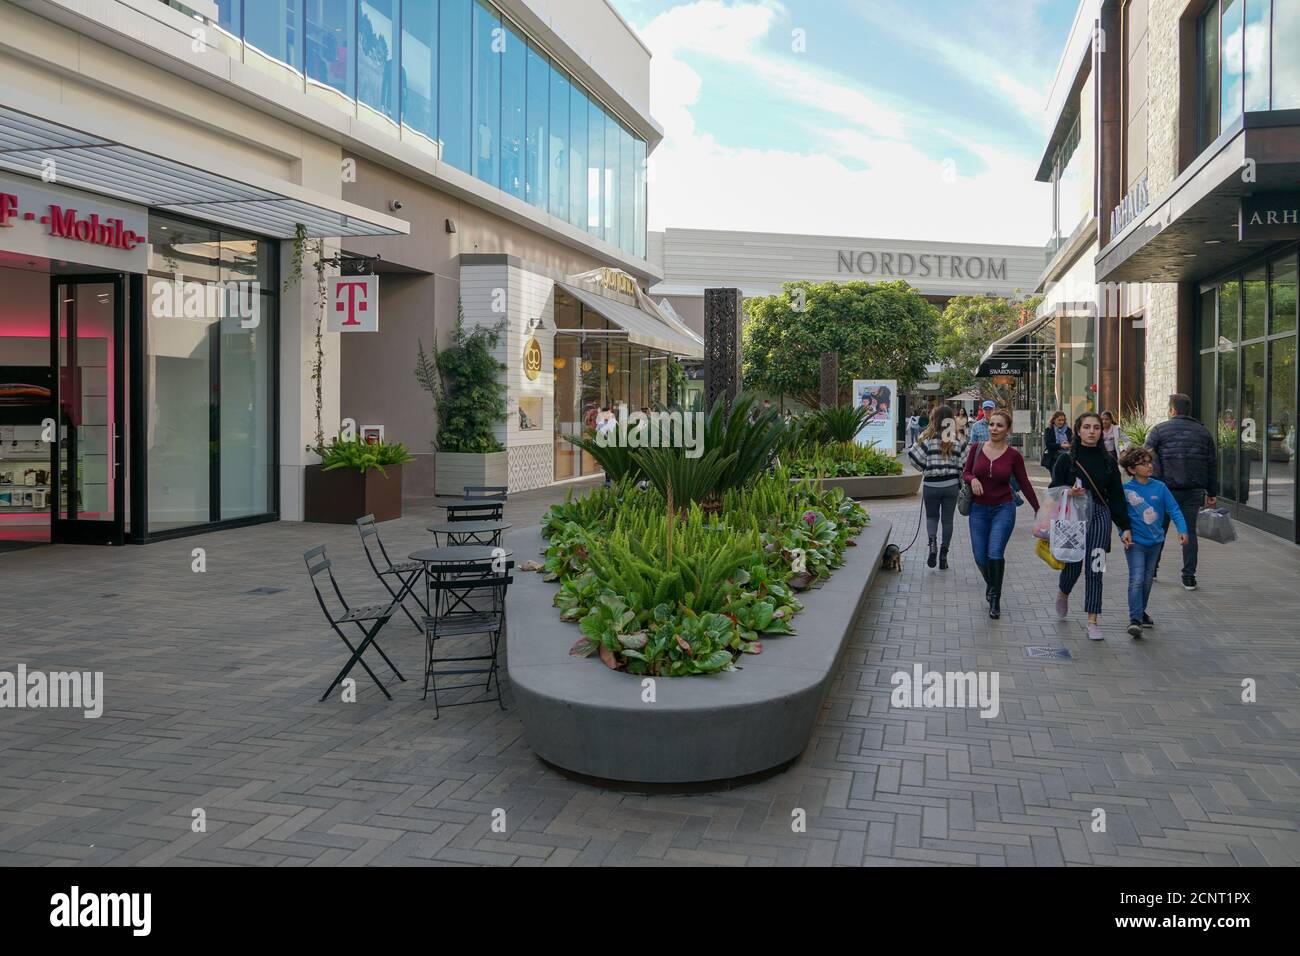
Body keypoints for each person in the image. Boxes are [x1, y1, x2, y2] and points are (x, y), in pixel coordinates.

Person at [1050, 412, 1133, 641]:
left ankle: (1092, 620)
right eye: (1086, 427)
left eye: (1096, 428)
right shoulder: (1066, 459)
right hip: (1074, 518)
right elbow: (1053, 489)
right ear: (1078, 430)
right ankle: (1063, 592)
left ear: (1101, 431)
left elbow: (1116, 495)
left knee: (1096, 568)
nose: (1091, 431)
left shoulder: (1108, 461)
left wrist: (1124, 526)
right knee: (1074, 566)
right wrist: (1068, 491)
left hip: (1100, 516)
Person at [963, 409, 1040, 619]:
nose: (994, 429)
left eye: (999, 425)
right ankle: (992, 584)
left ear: (1008, 430)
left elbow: (1024, 483)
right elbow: (966, 472)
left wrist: (1038, 509)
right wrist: (973, 480)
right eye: (992, 424)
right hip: (978, 509)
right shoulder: (976, 449)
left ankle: (995, 598)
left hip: (1003, 508)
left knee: (995, 552)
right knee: (980, 555)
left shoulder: (1014, 455)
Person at [1146, 393, 1218, 591]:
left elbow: (1147, 458)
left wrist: (1155, 482)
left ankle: (1151, 569)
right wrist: (1212, 491)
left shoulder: (1159, 431)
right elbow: (1211, 464)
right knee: (1189, 533)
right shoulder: (1203, 433)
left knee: (1158, 530)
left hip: (1164, 490)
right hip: (1193, 491)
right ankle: (1188, 577)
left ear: (1172, 410)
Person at [1119, 445, 1188, 639]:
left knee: (1147, 580)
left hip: (1156, 542)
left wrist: (1183, 529)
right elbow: (1120, 516)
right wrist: (1122, 533)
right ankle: (1135, 620)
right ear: (1132, 469)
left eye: (1150, 462)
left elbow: (1174, 509)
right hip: (1135, 544)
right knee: (1137, 578)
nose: (1149, 466)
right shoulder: (1125, 490)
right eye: (1144, 464)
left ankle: (1141, 612)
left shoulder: (1160, 487)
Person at [908, 404, 969, 571]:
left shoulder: (926, 438)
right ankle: (944, 553)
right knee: (947, 520)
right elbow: (966, 462)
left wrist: (925, 468)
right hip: (951, 487)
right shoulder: (959, 439)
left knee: (931, 518)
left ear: (934, 419)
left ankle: (932, 545)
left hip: (931, 486)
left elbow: (913, 458)